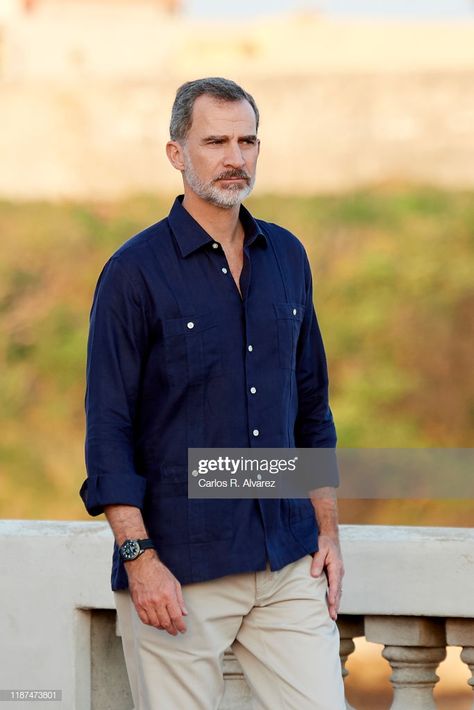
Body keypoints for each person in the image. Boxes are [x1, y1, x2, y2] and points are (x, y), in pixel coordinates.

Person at [80, 77, 345, 710]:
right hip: (180, 568)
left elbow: (310, 404)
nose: (235, 157)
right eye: (216, 141)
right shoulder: (133, 272)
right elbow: (108, 428)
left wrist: (328, 531)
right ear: (177, 153)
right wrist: (140, 559)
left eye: (248, 140)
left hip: (286, 562)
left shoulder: (286, 256)